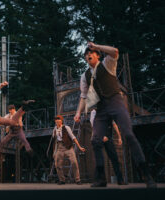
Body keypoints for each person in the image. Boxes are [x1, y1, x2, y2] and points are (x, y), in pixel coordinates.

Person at [74, 42, 156, 188]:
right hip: (100, 109)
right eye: (86, 55)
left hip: (115, 101)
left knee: (129, 135)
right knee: (96, 140)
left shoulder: (107, 64)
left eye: (91, 53)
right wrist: (78, 112)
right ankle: (101, 178)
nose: (88, 55)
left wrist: (96, 46)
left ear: (97, 55)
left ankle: (146, 174)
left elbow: (115, 51)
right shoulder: (84, 76)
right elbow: (83, 96)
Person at [90, 109, 125, 185]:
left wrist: (119, 137)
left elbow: (114, 124)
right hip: (98, 136)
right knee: (99, 159)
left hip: (108, 136)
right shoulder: (94, 112)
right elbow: (93, 125)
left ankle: (120, 180)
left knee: (114, 157)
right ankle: (100, 181)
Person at [52, 115, 85, 185]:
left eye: (59, 119)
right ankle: (62, 180)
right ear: (55, 121)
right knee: (57, 164)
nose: (57, 121)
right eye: (56, 119)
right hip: (59, 147)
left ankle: (77, 180)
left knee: (74, 162)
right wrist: (54, 152)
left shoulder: (66, 128)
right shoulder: (54, 129)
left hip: (68, 147)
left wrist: (79, 147)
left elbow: (73, 137)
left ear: (61, 121)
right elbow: (55, 141)